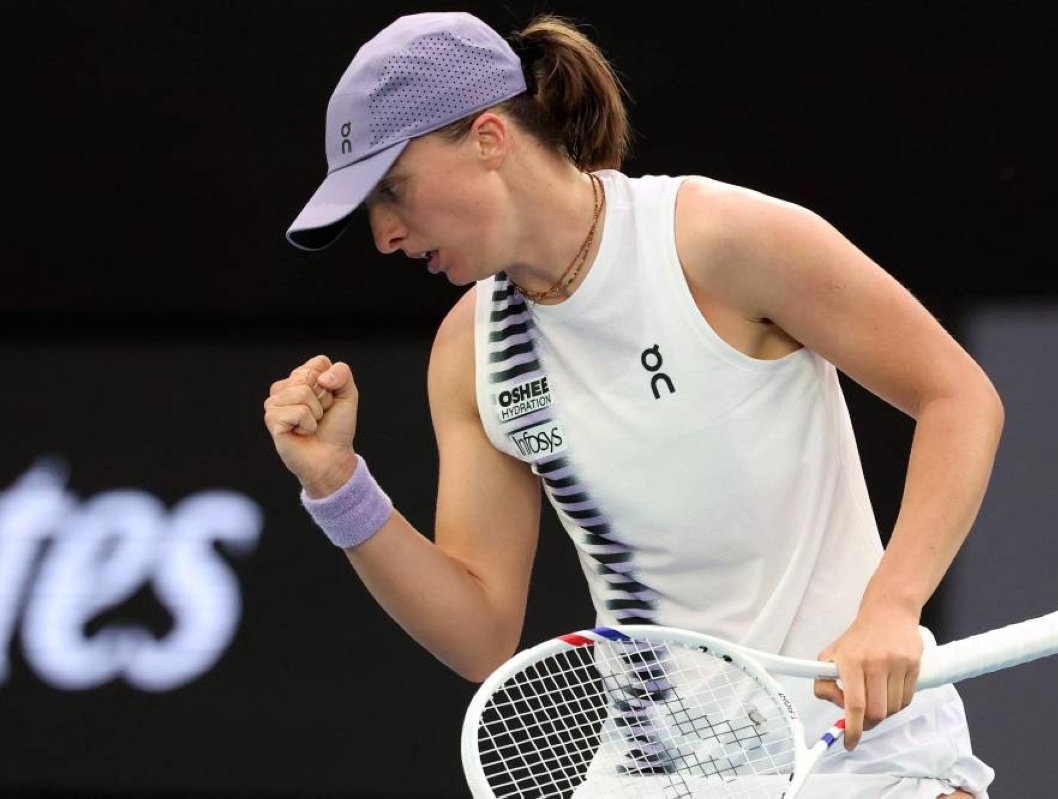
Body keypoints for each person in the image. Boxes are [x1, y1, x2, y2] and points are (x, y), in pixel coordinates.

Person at [264, 10, 1002, 798]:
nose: (384, 235)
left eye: (392, 190)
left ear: (488, 138)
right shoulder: (470, 349)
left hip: (861, 750)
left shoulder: (719, 242)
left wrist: (892, 605)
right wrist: (338, 485)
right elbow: (481, 634)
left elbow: (958, 397)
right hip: (659, 773)